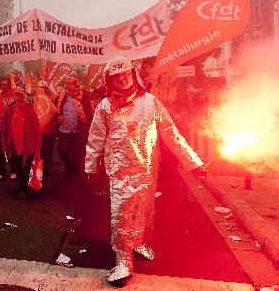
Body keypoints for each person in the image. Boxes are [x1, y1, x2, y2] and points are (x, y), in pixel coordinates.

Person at [85, 57, 207, 286]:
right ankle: (123, 260)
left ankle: (139, 242)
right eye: (116, 76)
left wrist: (194, 163)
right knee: (121, 215)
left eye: (125, 74)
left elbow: (171, 133)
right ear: (110, 80)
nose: (121, 79)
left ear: (133, 75)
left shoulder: (150, 102)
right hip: (120, 173)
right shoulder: (105, 106)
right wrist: (91, 166)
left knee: (145, 211)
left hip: (148, 169)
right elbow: (96, 138)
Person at [1, 88, 41, 200]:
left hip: (27, 146)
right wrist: (4, 146)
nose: (17, 98)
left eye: (19, 96)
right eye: (15, 96)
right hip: (13, 146)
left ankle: (23, 190)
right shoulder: (9, 110)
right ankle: (22, 187)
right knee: (18, 167)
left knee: (25, 167)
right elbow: (4, 129)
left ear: (23, 97)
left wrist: (38, 146)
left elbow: (37, 128)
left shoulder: (29, 110)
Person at [56, 77, 93, 182]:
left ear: (76, 84)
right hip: (64, 130)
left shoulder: (83, 96)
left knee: (78, 154)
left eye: (72, 83)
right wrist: (57, 117)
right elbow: (53, 110)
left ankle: (75, 173)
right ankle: (69, 167)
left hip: (78, 131)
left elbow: (89, 112)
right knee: (62, 151)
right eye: (67, 84)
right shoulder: (61, 96)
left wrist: (87, 126)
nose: (69, 86)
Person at [37, 80, 57, 176]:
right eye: (39, 87)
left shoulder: (52, 99)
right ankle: (40, 169)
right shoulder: (35, 99)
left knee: (48, 151)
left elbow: (56, 112)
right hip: (39, 131)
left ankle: (47, 169)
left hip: (50, 130)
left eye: (42, 87)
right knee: (40, 152)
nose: (41, 89)